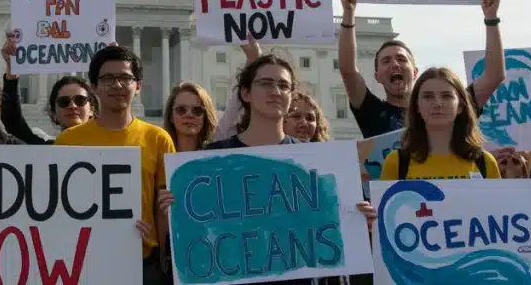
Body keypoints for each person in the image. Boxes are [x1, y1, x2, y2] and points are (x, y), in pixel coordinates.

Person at [156, 53, 375, 285]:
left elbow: (336, 233)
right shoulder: (210, 160)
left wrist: (361, 221)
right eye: (266, 83)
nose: (276, 91)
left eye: (283, 85)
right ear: (245, 93)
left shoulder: (318, 161)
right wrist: (175, 211)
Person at [54, 44, 172, 285]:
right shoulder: (67, 140)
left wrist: (160, 252)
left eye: (125, 78)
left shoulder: (158, 138)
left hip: (142, 262)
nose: (117, 85)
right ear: (94, 87)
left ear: (137, 85)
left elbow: (163, 207)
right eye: (108, 78)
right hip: (84, 262)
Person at [337, 0, 506, 138]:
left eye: (402, 59)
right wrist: (348, 12)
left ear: (415, 71)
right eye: (386, 61)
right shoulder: (372, 113)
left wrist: (491, 17)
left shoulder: (448, 108)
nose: (395, 64)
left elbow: (494, 76)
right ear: (377, 76)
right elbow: (348, 71)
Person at [380, 67, 502, 180]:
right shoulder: (396, 162)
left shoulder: (485, 162)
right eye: (428, 96)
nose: (437, 103)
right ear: (417, 106)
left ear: (460, 106)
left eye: (447, 96)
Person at [0, 30, 97, 143]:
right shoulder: (45, 151)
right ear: (54, 113)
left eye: (80, 100)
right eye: (64, 102)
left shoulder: (111, 147)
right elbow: (13, 124)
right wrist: (13, 69)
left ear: (92, 109)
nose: (72, 106)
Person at [162, 81, 218, 151]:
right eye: (181, 110)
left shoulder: (217, 157)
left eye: (197, 110)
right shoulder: (158, 156)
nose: (189, 115)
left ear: (205, 117)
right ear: (171, 116)